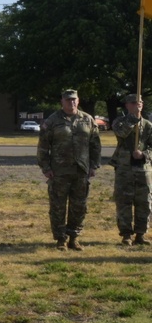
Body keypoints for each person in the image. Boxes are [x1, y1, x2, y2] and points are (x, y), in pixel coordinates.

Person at [37, 88, 101, 251]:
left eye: (74, 99)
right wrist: (46, 167)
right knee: (58, 206)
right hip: (59, 172)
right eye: (68, 100)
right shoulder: (52, 121)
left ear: (78, 101)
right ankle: (60, 239)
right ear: (62, 102)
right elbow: (43, 147)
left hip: (81, 171)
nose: (71, 102)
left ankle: (74, 238)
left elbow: (95, 145)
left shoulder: (87, 119)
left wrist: (93, 166)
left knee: (79, 206)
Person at [111, 94, 152, 246]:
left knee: (144, 203)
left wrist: (144, 154)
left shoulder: (148, 125)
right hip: (124, 169)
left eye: (140, 102)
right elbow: (120, 133)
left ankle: (141, 234)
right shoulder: (119, 122)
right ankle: (126, 234)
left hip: (143, 170)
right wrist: (133, 119)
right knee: (124, 202)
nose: (138, 105)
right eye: (134, 102)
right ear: (127, 105)